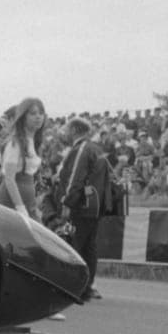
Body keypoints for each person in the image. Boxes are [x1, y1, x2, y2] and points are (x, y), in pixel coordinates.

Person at [54, 117, 107, 302]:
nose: (65, 133)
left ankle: (71, 287)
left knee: (72, 245)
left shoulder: (82, 149)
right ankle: (86, 288)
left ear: (75, 129)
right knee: (89, 247)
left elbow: (75, 178)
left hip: (81, 205)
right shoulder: (97, 149)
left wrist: (67, 202)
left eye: (68, 129)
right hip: (95, 206)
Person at [0, 97, 47, 221]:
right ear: (23, 117)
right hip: (11, 201)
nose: (38, 117)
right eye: (33, 113)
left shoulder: (35, 142)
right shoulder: (15, 143)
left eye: (41, 113)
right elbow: (9, 179)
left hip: (28, 200)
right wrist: (20, 207)